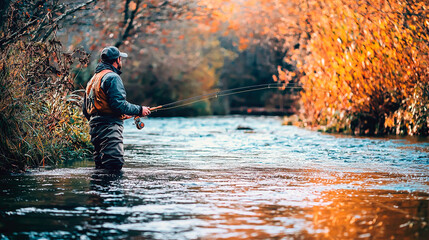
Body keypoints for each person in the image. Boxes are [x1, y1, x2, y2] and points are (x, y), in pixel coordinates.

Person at [83, 46, 151, 171]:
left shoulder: (93, 79)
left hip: (95, 129)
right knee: (114, 164)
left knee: (101, 168)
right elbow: (119, 104)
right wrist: (140, 110)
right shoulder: (112, 77)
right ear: (117, 60)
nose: (121, 61)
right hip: (110, 129)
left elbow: (86, 110)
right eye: (120, 59)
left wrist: (117, 115)